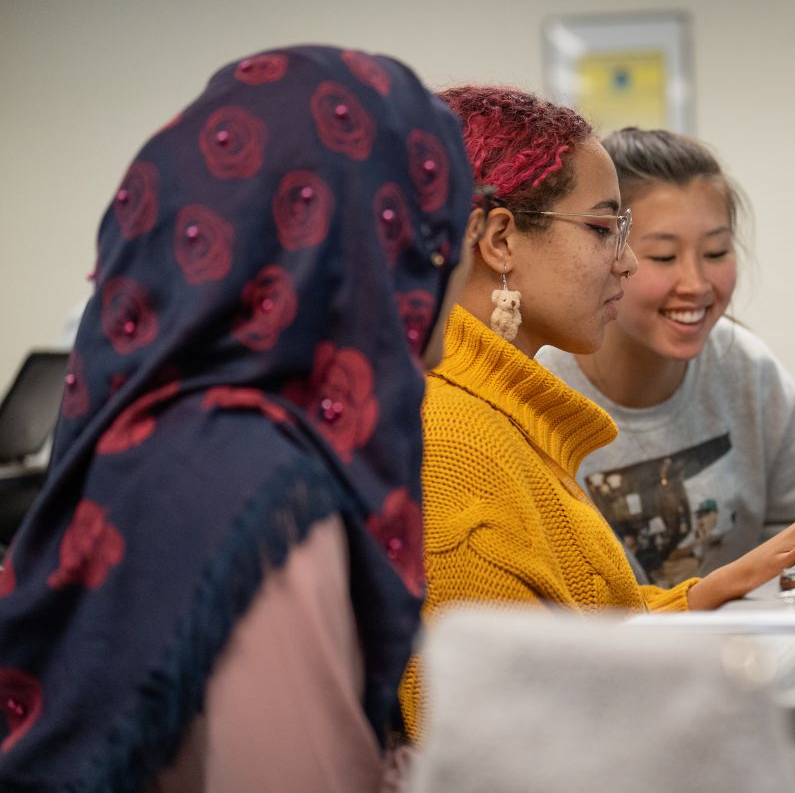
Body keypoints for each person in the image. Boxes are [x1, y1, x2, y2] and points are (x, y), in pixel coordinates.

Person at [0, 45, 475, 791]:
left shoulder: (156, 436)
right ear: (369, 243)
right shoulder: (262, 488)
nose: (454, 276)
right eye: (442, 238)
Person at [406, 86, 795, 738]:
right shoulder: (452, 436)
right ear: (501, 239)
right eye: (603, 230)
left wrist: (747, 569)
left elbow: (594, 627)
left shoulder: (503, 408)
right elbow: (503, 739)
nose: (623, 259)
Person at [538, 127, 795, 588]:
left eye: (716, 251)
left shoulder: (749, 371)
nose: (696, 283)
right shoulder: (537, 390)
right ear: (609, 255)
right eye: (663, 256)